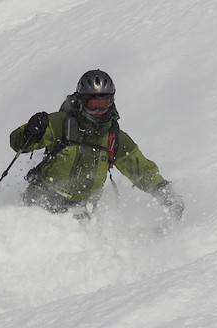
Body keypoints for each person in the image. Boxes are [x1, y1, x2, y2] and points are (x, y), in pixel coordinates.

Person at [10, 69, 184, 220]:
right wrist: (31, 132)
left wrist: (163, 191)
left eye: (104, 104)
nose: (99, 110)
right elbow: (19, 144)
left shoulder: (114, 138)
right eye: (94, 105)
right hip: (43, 200)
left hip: (81, 210)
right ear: (81, 101)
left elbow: (141, 170)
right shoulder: (60, 123)